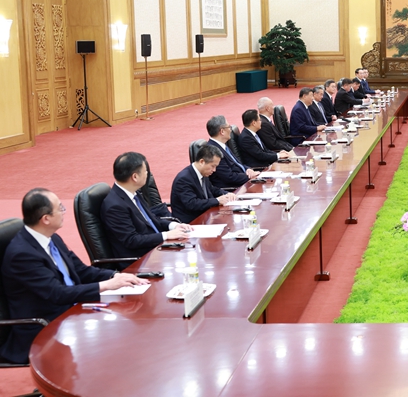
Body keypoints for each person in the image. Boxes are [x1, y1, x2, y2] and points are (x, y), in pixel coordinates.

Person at [0, 189, 147, 364]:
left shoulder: (52, 239)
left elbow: (82, 271)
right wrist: (106, 286)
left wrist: (117, 276)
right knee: (112, 341)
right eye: (60, 208)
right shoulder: (22, 254)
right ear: (46, 219)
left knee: (128, 321)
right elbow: (57, 294)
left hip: (71, 310)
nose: (64, 212)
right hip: (44, 325)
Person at [100, 152, 191, 259]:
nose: (147, 174)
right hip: (140, 259)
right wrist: (166, 235)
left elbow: (151, 220)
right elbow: (131, 240)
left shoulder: (133, 193)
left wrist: (173, 226)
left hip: (156, 248)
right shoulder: (115, 206)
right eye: (145, 171)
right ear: (135, 177)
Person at [171, 144, 236, 223]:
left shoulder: (203, 172)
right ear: (202, 162)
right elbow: (192, 204)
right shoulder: (184, 179)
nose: (214, 170)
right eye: (213, 166)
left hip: (206, 216)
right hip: (191, 222)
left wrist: (226, 194)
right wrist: (217, 200)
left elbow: (212, 189)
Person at [206, 115, 259, 188]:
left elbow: (237, 164)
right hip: (233, 188)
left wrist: (248, 169)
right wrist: (249, 176)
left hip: (241, 181)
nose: (230, 130)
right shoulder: (213, 151)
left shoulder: (223, 145)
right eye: (229, 127)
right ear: (222, 131)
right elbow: (229, 177)